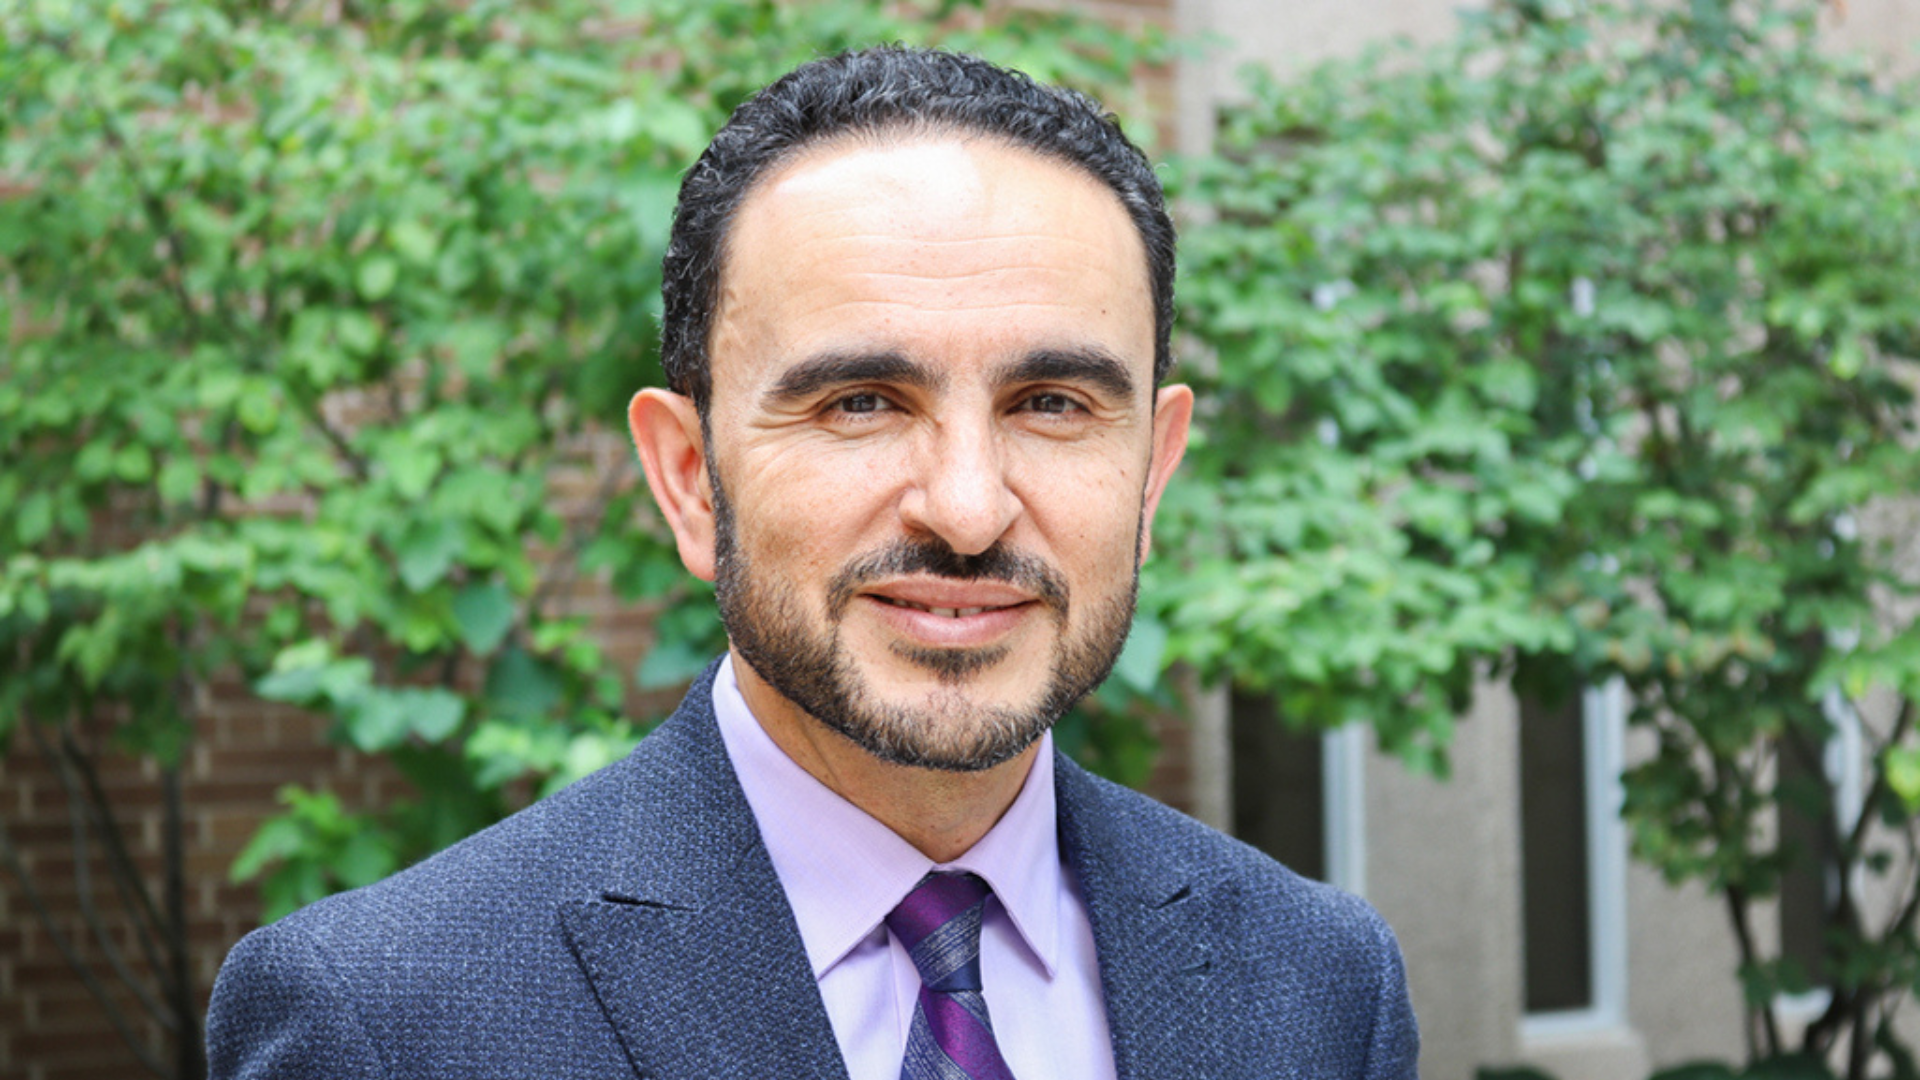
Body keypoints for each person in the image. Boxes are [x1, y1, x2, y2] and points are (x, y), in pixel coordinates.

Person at [206, 46, 1420, 1080]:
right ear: (689, 477)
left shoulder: (1319, 987)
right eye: (859, 403)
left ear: (1150, 472)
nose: (965, 507)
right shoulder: (386, 1019)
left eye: (1051, 403)